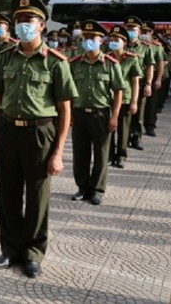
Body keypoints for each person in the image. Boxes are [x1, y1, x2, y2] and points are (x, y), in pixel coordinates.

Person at [0, 0, 77, 279]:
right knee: (8, 194)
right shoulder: (5, 58)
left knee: (37, 196)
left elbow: (65, 109)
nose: (22, 25)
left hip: (40, 133)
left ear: (41, 26)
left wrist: (59, 152)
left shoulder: (56, 62)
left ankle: (33, 253)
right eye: (19, 20)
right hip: (8, 131)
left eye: (29, 20)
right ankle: (10, 249)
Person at [68, 20, 124, 206]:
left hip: (101, 114)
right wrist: (69, 114)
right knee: (80, 153)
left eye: (93, 38)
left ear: (102, 41)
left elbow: (118, 91)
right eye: (86, 37)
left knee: (101, 153)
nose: (89, 41)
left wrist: (114, 116)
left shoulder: (110, 64)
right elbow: (67, 91)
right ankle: (82, 187)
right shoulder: (75, 63)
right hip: (79, 113)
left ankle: (97, 189)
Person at [106, 25, 141, 169]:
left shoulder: (131, 59)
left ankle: (121, 155)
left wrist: (134, 101)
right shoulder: (106, 58)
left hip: (125, 98)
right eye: (112, 39)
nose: (114, 42)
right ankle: (109, 154)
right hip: (108, 99)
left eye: (117, 39)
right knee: (108, 128)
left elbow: (135, 82)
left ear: (124, 42)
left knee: (123, 129)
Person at [123, 16, 155, 151]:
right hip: (123, 82)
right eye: (128, 28)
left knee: (138, 112)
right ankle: (122, 138)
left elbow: (149, 66)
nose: (130, 31)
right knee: (123, 112)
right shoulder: (120, 44)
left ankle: (135, 137)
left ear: (139, 31)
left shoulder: (145, 48)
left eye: (133, 29)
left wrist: (148, 84)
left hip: (139, 83)